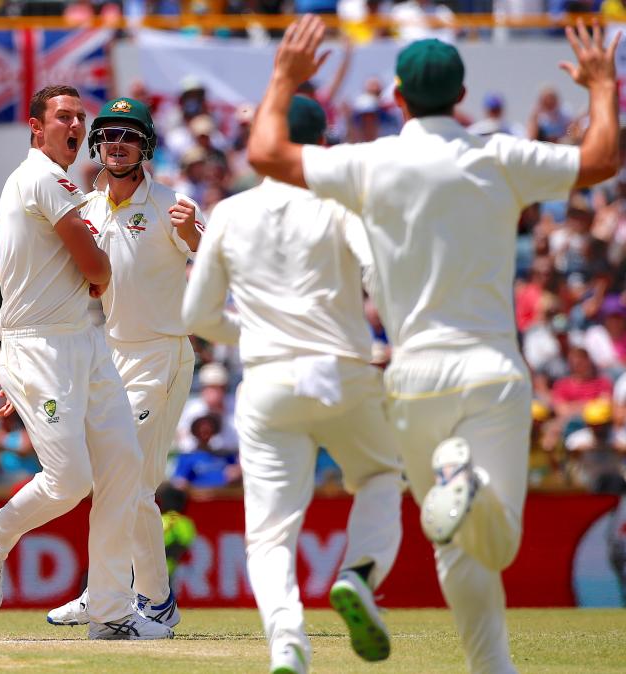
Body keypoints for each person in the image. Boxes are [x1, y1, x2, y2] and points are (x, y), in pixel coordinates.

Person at [246, 16, 620, 673]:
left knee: (457, 546)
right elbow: (602, 159)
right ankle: (464, 481)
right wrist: (600, 86)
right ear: (461, 95)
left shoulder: (370, 162)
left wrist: (284, 79)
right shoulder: (496, 154)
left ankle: (492, 667)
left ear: (396, 99)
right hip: (489, 370)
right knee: (492, 546)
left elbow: (269, 155)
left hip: (413, 378)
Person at [185, 94, 404, 673]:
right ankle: (359, 573)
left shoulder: (230, 213)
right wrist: (396, 340)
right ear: (319, 145)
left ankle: (288, 645)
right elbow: (379, 274)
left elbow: (198, 317)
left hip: (268, 380)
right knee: (382, 474)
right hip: (344, 370)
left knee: (270, 534)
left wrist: (253, 333)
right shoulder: (340, 202)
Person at [0, 85, 172, 640]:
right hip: (43, 347)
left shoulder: (64, 184)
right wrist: (22, 362)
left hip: (83, 342)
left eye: (80, 117)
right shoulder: (42, 177)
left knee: (123, 468)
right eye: (63, 117)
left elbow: (77, 277)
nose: (75, 126)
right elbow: (97, 270)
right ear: (36, 128)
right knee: (70, 480)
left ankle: (108, 610)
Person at [44, 97, 203, 630]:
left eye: (128, 136)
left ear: (146, 146)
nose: (117, 144)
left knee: (125, 483)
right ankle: (131, 596)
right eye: (108, 135)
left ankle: (130, 597)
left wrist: (195, 238)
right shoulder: (85, 209)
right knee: (121, 486)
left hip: (162, 355)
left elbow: (212, 270)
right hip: (108, 357)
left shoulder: (172, 205)